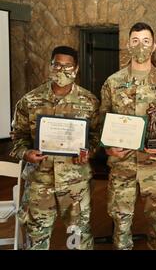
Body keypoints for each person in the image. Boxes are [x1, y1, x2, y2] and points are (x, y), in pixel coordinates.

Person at [99, 22, 156, 250]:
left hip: (155, 168)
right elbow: (101, 121)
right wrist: (107, 148)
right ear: (128, 44)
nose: (140, 46)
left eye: (145, 41)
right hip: (122, 167)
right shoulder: (113, 83)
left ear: (153, 46)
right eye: (135, 41)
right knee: (121, 226)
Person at [10, 46, 100, 250]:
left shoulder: (89, 102)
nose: (62, 70)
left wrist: (89, 151)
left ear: (76, 69)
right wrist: (26, 153)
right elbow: (17, 137)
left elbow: (96, 136)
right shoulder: (30, 101)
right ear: (50, 66)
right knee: (36, 237)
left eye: (67, 66)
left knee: (77, 237)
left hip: (75, 183)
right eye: (57, 64)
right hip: (40, 183)